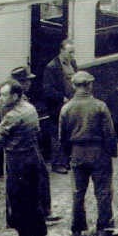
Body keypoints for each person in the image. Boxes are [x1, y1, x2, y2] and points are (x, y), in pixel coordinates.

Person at [0, 79, 48, 236]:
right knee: (34, 200)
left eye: (4, 95)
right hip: (33, 157)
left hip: (17, 161)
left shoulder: (13, 116)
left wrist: (1, 118)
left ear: (15, 96)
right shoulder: (30, 108)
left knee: (19, 203)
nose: (1, 98)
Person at [58, 71, 118, 236]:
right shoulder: (100, 106)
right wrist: (112, 152)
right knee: (103, 191)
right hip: (99, 153)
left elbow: (62, 137)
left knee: (78, 192)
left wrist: (67, 156)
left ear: (73, 86)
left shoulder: (66, 109)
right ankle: (105, 228)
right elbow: (109, 133)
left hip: (77, 153)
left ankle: (78, 228)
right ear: (90, 85)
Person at [0, 66, 60, 223]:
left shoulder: (8, 98)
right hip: (23, 145)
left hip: (15, 146)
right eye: (27, 81)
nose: (30, 83)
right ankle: (42, 213)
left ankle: (15, 218)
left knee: (16, 182)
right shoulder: (15, 101)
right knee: (36, 178)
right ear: (20, 83)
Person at [42, 39, 77, 173]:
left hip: (71, 104)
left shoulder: (72, 63)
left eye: (73, 52)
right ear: (62, 51)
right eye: (70, 52)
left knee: (69, 132)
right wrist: (62, 98)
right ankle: (57, 164)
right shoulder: (51, 67)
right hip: (58, 106)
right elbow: (48, 89)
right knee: (57, 134)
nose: (72, 55)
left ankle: (66, 161)